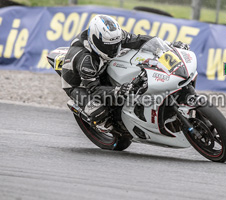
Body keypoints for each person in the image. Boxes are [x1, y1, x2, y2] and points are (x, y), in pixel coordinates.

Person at [61, 14, 189, 132]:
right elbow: (94, 89)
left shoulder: (113, 37)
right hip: (78, 84)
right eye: (109, 47)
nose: (114, 49)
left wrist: (168, 46)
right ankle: (102, 122)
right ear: (96, 41)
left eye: (116, 45)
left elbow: (140, 40)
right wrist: (118, 91)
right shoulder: (86, 61)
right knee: (100, 113)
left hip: (100, 67)